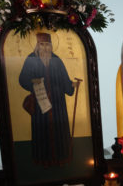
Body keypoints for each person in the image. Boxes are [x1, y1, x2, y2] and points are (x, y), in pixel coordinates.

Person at [19, 32, 79, 167]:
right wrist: (34, 82)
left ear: (51, 46)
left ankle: (61, 159)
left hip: (58, 104)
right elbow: (22, 79)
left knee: (59, 130)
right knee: (42, 131)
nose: (45, 48)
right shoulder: (31, 59)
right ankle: (43, 160)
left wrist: (71, 85)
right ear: (37, 45)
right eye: (42, 44)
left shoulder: (57, 60)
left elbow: (64, 79)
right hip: (40, 103)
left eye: (47, 45)